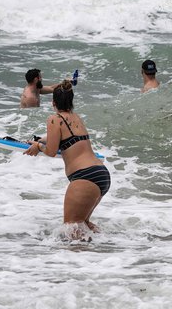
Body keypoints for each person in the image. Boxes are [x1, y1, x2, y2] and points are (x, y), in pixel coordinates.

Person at [23, 80, 110, 240]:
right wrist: (40, 139)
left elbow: (50, 151)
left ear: (53, 102)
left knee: (72, 227)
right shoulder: (76, 117)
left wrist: (38, 146)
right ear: (71, 101)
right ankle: (109, 248)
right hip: (101, 174)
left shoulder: (54, 119)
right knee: (83, 224)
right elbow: (67, 138)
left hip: (85, 177)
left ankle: (81, 262)